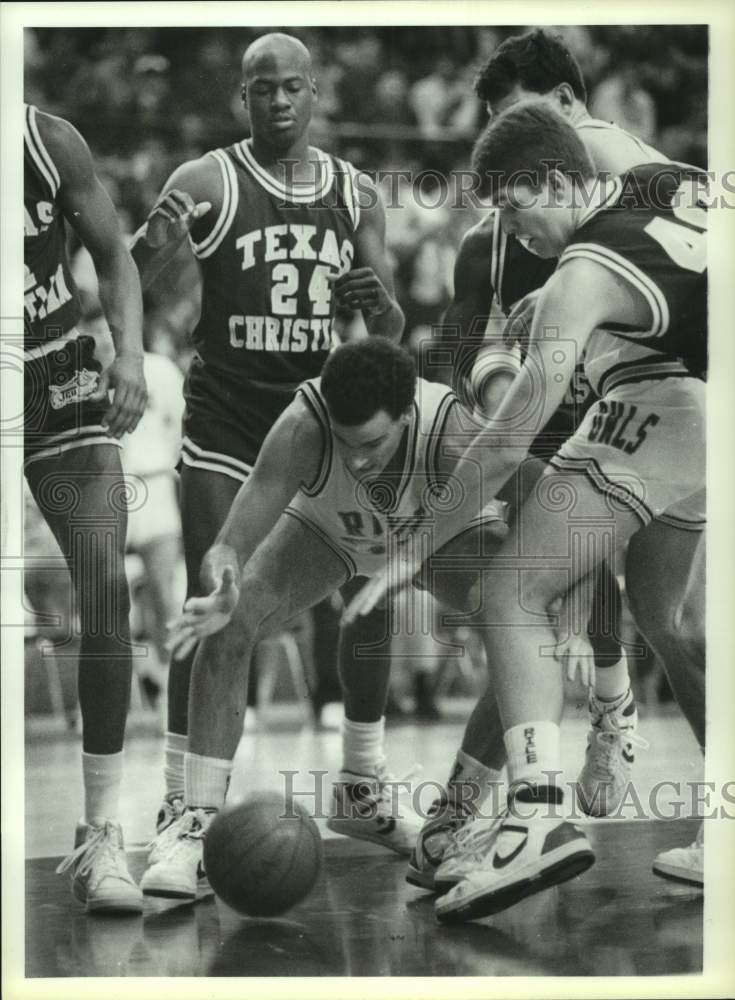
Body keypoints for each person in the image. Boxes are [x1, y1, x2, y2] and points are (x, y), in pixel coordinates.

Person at [406, 27, 705, 892]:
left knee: (516, 592)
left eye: (512, 202)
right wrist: (505, 354)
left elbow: (505, 434)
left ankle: (532, 810)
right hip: (661, 390)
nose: (505, 221)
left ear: (567, 118)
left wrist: (422, 530)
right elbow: (470, 345)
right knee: (642, 611)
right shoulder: (654, 182)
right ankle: (596, 729)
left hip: (657, 397)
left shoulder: (591, 224)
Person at [130, 33, 410, 862]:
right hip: (227, 421)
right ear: (241, 98)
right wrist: (147, 263)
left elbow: (389, 329)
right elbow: (126, 273)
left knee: (369, 596)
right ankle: (182, 809)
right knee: (210, 599)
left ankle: (361, 779)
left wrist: (381, 304)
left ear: (315, 93)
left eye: (292, 86)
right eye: (263, 88)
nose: (279, 100)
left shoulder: (356, 192)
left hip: (319, 422)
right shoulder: (205, 180)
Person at [145, 337, 508, 900]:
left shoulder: (452, 434)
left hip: (433, 536)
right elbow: (229, 544)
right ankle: (193, 823)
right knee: (231, 617)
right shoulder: (304, 425)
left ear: (407, 414)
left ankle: (452, 821)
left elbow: (540, 507)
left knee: (524, 626)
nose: (358, 459)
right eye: (346, 442)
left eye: (373, 443)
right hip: (328, 532)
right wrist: (222, 579)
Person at [23, 104, 148, 912]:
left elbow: (113, 254)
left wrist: (129, 352)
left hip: (56, 371)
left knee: (105, 585)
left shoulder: (45, 139)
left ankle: (103, 830)